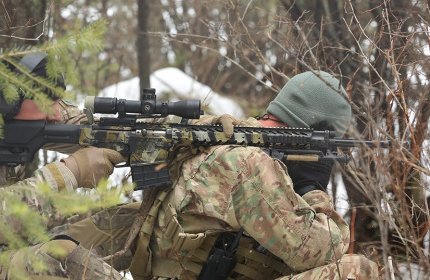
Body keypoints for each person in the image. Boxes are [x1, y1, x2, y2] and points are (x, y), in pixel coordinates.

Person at [50, 71, 379, 279]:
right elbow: (322, 248)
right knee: (360, 270)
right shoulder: (251, 165)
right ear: (316, 130)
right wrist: (313, 186)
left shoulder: (217, 135)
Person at [0, 46, 125, 280]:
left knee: (124, 222)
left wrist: (159, 129)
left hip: (6, 246)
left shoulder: (17, 102)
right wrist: (69, 172)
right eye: (45, 104)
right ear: (9, 99)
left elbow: (85, 123)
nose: (54, 114)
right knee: (64, 258)